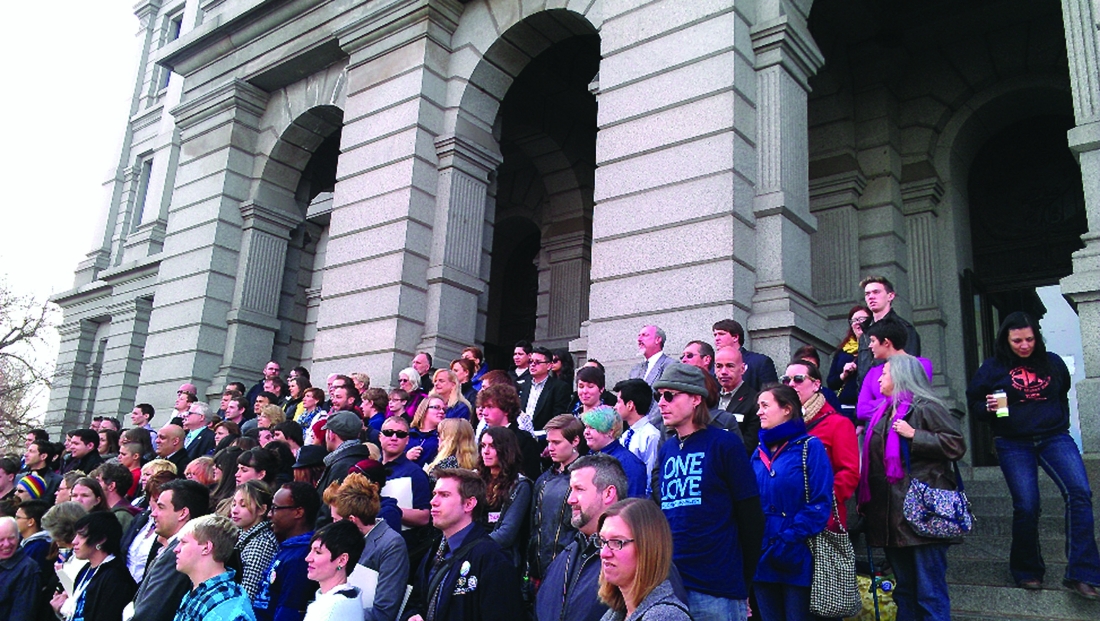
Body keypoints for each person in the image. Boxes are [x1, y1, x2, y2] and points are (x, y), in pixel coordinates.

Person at [967, 311, 1100, 599]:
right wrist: (987, 409)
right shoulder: (992, 368)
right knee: (1027, 505)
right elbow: (975, 403)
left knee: (1079, 492)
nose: (1024, 345)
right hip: (1013, 442)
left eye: (1029, 339)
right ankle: (1027, 570)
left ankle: (1083, 573)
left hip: (1054, 437)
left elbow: (1061, 390)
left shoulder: (1052, 362)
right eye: (1017, 340)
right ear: (1006, 339)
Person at [653, 362, 764, 621]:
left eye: (670, 395)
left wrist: (743, 583)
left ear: (695, 399)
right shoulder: (667, 449)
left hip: (718, 588)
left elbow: (751, 519)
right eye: (659, 396)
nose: (661, 403)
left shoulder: (725, 444)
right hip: (673, 584)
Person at [859, 354, 966, 620]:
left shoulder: (925, 406)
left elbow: (955, 444)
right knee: (904, 591)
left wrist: (915, 435)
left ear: (901, 375)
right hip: (891, 519)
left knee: (929, 593)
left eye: (885, 373)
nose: (880, 378)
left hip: (922, 517)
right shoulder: (882, 412)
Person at [749, 385, 833, 621]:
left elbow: (819, 503)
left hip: (797, 555)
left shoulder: (810, 447)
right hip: (763, 558)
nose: (759, 412)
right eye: (758, 406)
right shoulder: (757, 453)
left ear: (787, 409)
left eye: (765, 405)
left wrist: (788, 539)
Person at [405, 468, 523, 621]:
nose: (433, 502)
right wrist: (413, 616)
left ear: (469, 504)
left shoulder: (492, 558)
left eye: (444, 495)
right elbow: (416, 601)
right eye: (434, 494)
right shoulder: (434, 550)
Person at [536, 454, 628, 621]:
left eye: (579, 489)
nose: (570, 499)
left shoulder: (635, 560)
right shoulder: (564, 558)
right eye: (571, 489)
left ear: (608, 494)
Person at [782, 360, 859, 531]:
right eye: (786, 380)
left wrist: (819, 499)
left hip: (822, 519)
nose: (791, 384)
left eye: (799, 379)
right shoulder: (780, 423)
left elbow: (849, 473)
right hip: (786, 517)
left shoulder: (838, 424)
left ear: (816, 384)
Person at [325, 473, 409, 621]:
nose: (333, 526)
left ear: (351, 520)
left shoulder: (391, 545)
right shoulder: (346, 540)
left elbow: (384, 612)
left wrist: (332, 614)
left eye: (335, 520)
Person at [128, 479, 211, 621]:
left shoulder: (178, 553)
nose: (153, 514)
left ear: (183, 513)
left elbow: (152, 611)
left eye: (161, 507)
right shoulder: (175, 548)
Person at [596, 498, 691, 621]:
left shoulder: (665, 617)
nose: (604, 553)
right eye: (603, 541)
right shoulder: (615, 615)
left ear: (648, 548)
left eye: (617, 542)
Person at [49, 512, 135, 621]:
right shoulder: (86, 570)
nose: (75, 541)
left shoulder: (116, 578)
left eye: (82, 536)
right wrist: (61, 611)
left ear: (101, 540)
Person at [254, 482, 320, 621]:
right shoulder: (289, 548)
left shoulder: (301, 557)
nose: (269, 515)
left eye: (275, 508)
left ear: (298, 512)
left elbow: (289, 612)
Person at [529, 414, 585, 579]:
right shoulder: (543, 479)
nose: (550, 448)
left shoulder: (587, 478)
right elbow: (534, 527)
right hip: (539, 567)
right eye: (549, 442)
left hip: (571, 567)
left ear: (575, 441)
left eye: (557, 442)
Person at [173, 515, 256, 621]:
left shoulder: (227, 605)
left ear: (206, 548)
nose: (176, 549)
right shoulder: (199, 591)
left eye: (183, 542)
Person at [856, 319, 934, 426]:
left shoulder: (920, 365)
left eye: (873, 341)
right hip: (880, 434)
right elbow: (861, 411)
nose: (870, 346)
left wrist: (877, 403)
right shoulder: (873, 373)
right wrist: (896, 400)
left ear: (886, 343)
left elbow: (916, 400)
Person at [477, 426, 532, 567]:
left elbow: (506, 534)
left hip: (500, 558)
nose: (486, 451)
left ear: (506, 449)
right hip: (473, 551)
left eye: (492, 446)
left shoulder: (520, 485)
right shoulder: (474, 479)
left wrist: (471, 545)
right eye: (483, 446)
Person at [855, 276, 921, 386]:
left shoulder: (904, 328)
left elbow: (909, 370)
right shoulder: (864, 333)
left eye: (876, 292)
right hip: (866, 399)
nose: (871, 297)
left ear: (890, 296)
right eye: (867, 294)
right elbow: (861, 373)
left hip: (893, 396)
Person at [475, 384, 542, 479]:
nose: (484, 412)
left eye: (490, 407)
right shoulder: (484, 436)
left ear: (506, 410)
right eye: (483, 407)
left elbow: (530, 477)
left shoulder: (524, 440)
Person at [301, 521, 365, 621]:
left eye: (318, 552)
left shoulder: (330, 609)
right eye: (310, 550)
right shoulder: (349, 598)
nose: (308, 558)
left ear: (342, 560)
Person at [581, 406, 648, 498]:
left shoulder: (628, 463)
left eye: (592, 428)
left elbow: (633, 503)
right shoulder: (589, 457)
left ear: (610, 431)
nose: (586, 432)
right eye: (586, 427)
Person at [230, 480, 280, 600]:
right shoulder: (242, 533)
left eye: (243, 505)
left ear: (262, 510)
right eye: (234, 504)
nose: (235, 510)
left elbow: (247, 595)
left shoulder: (261, 544)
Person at [826, 305, 871, 422]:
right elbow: (831, 383)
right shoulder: (843, 350)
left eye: (862, 319)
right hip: (845, 408)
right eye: (854, 320)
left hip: (868, 408)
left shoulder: (875, 347)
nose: (857, 323)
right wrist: (843, 375)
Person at [713, 346, 760, 452]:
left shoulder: (754, 400)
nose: (723, 371)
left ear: (742, 369)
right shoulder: (710, 399)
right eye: (719, 366)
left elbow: (750, 445)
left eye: (730, 366)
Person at [612, 379, 661, 481]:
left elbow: (651, 473)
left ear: (630, 405)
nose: (615, 407)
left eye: (618, 402)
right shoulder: (625, 435)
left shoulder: (651, 436)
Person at [713, 319, 778, 392]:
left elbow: (771, 395)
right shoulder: (713, 366)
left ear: (735, 337)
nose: (716, 339)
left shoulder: (760, 362)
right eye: (715, 335)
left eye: (721, 334)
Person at [0, 515, 39, 621]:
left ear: (18, 537)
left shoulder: (28, 569)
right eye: (1, 540)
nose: (6, 544)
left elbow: (22, 613)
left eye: (11, 538)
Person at [525, 347, 573, 431]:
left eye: (538, 362)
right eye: (530, 361)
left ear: (549, 366)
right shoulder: (524, 385)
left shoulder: (560, 387)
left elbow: (558, 418)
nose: (532, 365)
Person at [407, 396, 446, 467]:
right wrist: (406, 457)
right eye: (437, 407)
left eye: (444, 409)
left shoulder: (444, 437)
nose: (442, 411)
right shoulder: (407, 434)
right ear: (424, 410)